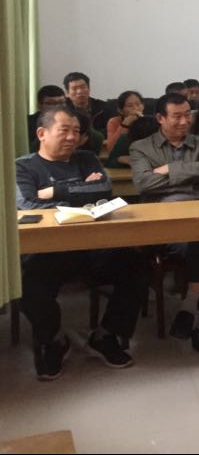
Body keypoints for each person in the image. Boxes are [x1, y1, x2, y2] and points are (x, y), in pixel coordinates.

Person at [16, 106, 148, 379]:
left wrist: (54, 191)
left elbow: (104, 190)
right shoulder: (23, 166)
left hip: (93, 246)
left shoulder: (87, 158)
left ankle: (106, 335)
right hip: (48, 250)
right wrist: (81, 193)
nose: (72, 137)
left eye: (76, 131)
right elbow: (27, 205)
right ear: (42, 133)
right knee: (28, 283)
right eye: (64, 130)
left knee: (136, 264)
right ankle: (53, 340)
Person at [129, 93, 199, 353]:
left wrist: (169, 170)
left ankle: (191, 312)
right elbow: (144, 183)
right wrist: (191, 176)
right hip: (164, 221)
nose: (184, 121)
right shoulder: (141, 147)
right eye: (177, 116)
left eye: (187, 115)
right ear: (160, 118)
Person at [27, 85, 66, 152]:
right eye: (51, 103)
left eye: (61, 103)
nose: (58, 107)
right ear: (39, 105)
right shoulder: (28, 123)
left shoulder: (74, 121)